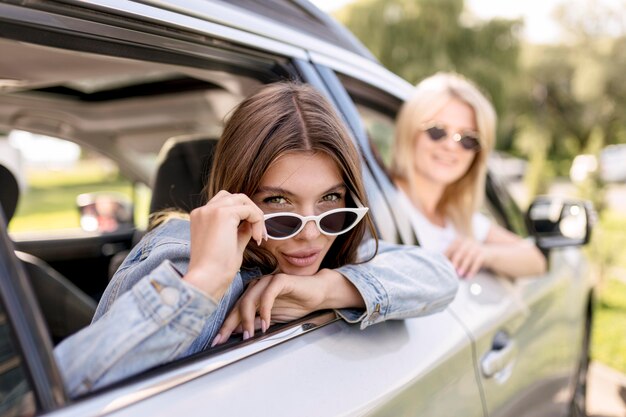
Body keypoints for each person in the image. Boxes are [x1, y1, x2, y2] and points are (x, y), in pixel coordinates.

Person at [54, 82, 458, 397]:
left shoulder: (340, 247)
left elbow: (439, 276)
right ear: (238, 195)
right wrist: (204, 282)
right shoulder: (181, 258)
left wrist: (323, 290)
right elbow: (67, 390)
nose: (312, 234)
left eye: (330, 200)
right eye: (279, 204)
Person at [391, 72, 547, 279]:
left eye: (467, 139)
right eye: (437, 130)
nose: (450, 146)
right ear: (409, 130)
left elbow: (535, 260)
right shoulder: (378, 199)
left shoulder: (458, 219)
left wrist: (484, 254)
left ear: (477, 154)